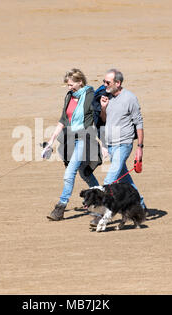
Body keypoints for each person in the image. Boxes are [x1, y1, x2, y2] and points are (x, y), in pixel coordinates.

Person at [44, 69, 101, 221]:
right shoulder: (69, 96)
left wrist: (104, 144)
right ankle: (101, 197)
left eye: (71, 85)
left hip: (84, 138)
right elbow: (63, 119)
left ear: (80, 82)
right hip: (70, 139)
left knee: (70, 173)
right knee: (84, 172)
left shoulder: (90, 96)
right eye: (67, 85)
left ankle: (60, 207)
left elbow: (98, 116)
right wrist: (51, 141)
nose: (69, 88)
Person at [98, 69, 147, 221]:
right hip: (112, 145)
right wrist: (104, 108)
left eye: (108, 82)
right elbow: (104, 120)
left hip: (124, 144)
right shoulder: (108, 98)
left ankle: (102, 216)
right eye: (104, 81)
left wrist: (140, 147)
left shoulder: (130, 98)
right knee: (125, 181)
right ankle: (142, 207)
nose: (104, 85)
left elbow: (139, 123)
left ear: (118, 83)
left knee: (109, 181)